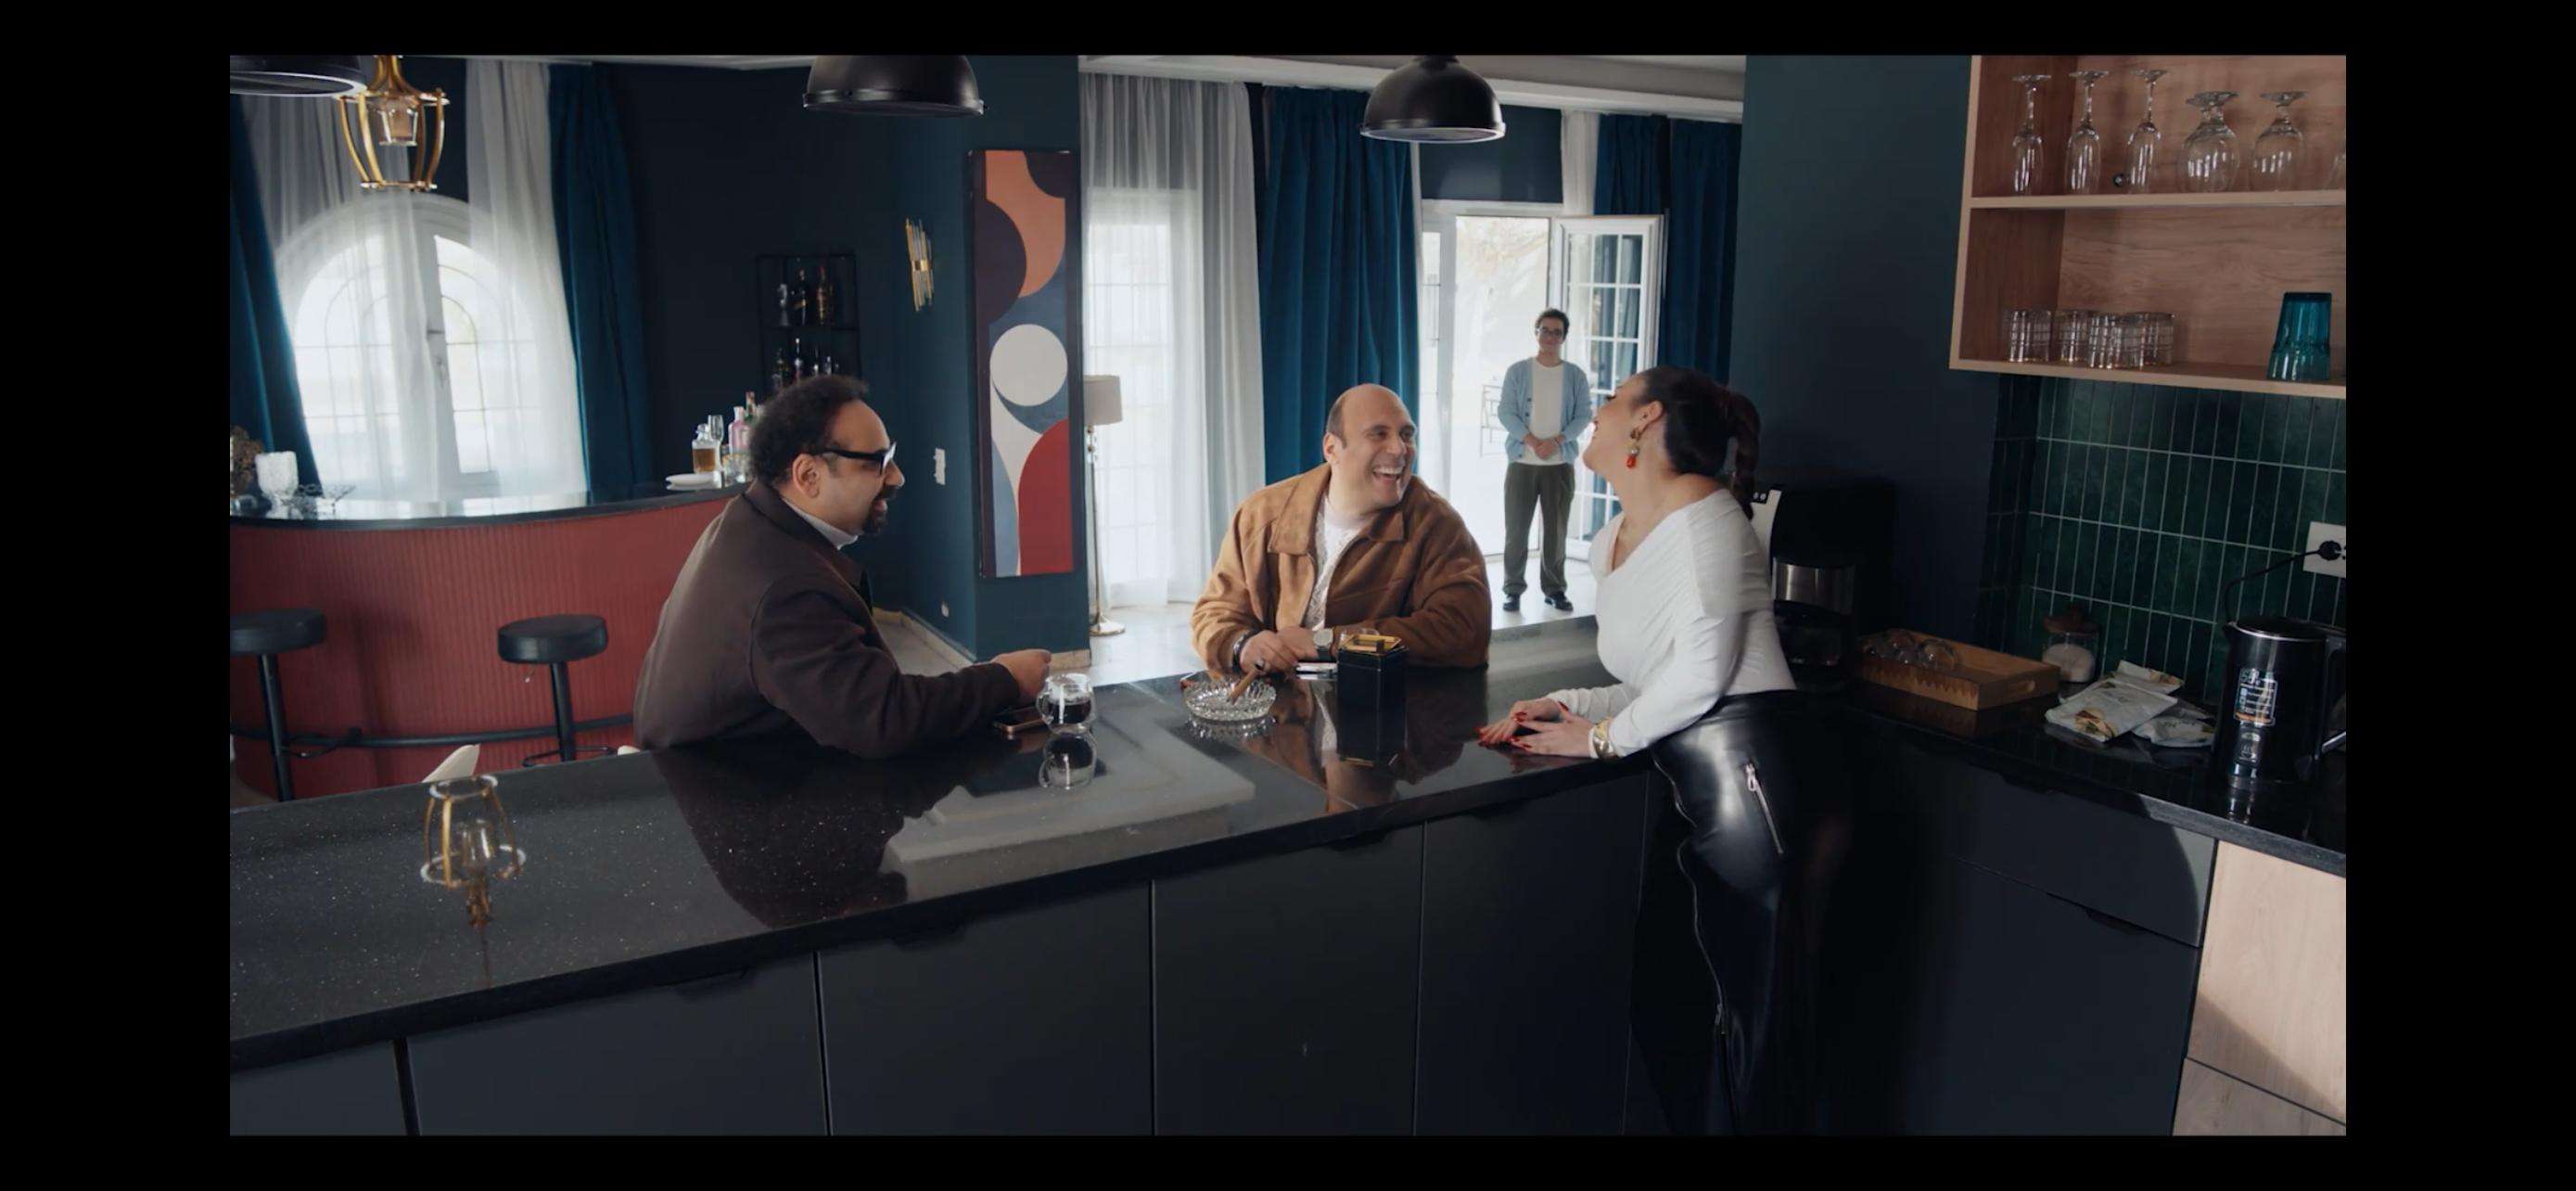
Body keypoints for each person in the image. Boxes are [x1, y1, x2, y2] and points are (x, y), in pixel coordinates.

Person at [1474, 366, 1851, 1134]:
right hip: (1700, 792)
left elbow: (1707, 674)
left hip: (1759, 791)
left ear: (1646, 421)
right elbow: (1658, 680)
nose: (1596, 411)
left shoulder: (1712, 519)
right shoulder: (1612, 538)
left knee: (1748, 1038)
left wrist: (1601, 740)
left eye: (1612, 400)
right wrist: (1572, 706)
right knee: (1670, 1009)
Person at [634, 376, 1052, 759]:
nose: (897, 478)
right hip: (725, 793)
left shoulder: (749, 523)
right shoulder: (784, 589)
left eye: (891, 457)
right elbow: (883, 719)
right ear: (808, 475)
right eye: (876, 462)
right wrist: (1006, 678)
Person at [1192, 383, 1492, 673]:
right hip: (1278, 698)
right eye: (1379, 434)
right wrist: (1243, 645)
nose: (1400, 449)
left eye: (1406, 435)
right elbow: (1214, 615)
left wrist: (1329, 642)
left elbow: (1465, 629)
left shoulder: (1436, 523)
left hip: (1379, 700)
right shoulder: (1261, 514)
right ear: (1332, 448)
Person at [1494, 309, 1592, 613]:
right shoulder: (1518, 371)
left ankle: (1554, 589)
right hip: (1522, 463)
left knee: (1556, 531)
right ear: (1536, 332)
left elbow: (1583, 415)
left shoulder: (1575, 375)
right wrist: (1533, 441)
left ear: (1564, 338)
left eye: (1557, 332)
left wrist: (1557, 441)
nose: (1550, 337)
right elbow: (1506, 411)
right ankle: (1512, 589)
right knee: (1516, 530)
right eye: (1545, 330)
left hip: (1559, 466)